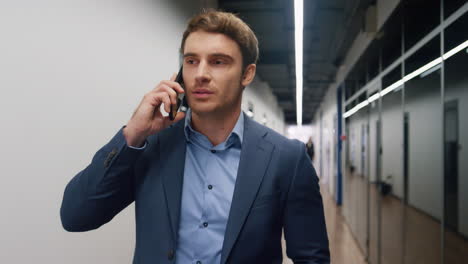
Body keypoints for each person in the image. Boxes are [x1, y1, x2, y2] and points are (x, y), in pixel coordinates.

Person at [60, 10, 330, 264]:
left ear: (247, 74)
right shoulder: (150, 147)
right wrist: (133, 133)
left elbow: (311, 257)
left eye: (218, 62)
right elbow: (76, 216)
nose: (200, 74)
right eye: (191, 61)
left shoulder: (286, 158)